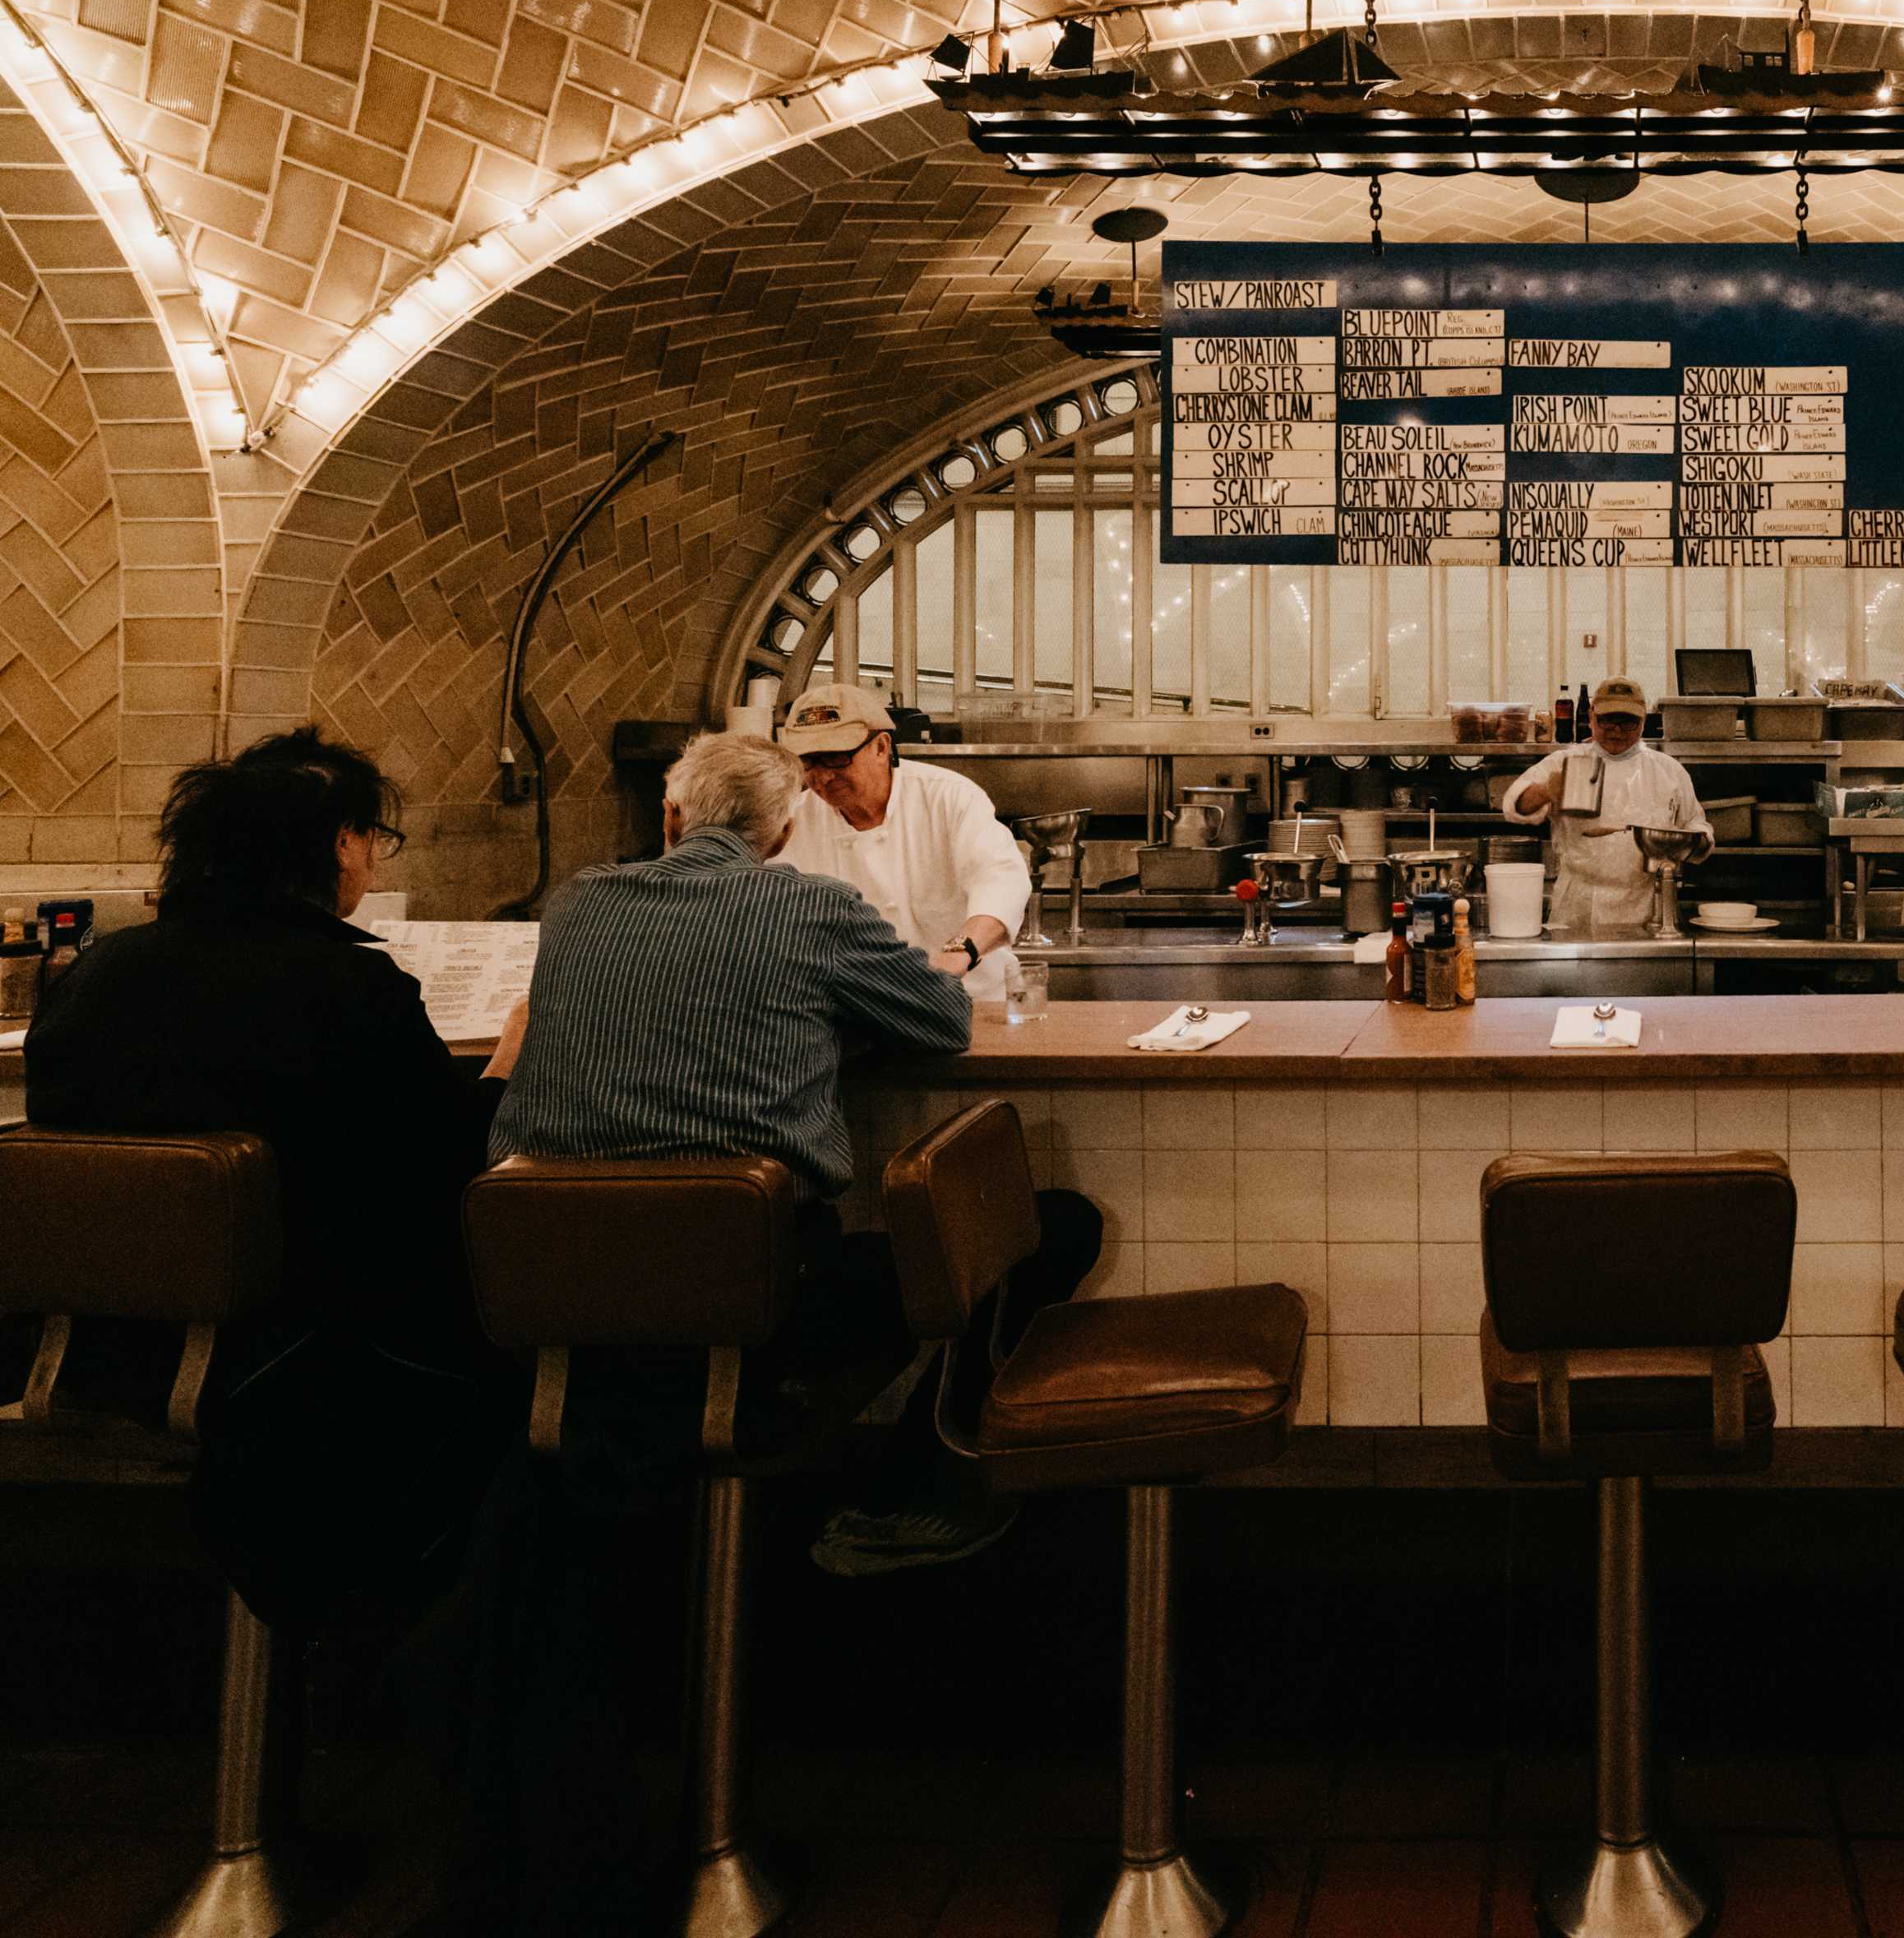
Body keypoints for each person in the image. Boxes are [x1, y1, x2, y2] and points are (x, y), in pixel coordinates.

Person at [488, 730, 1098, 1574]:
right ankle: (928, 1495)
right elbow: (940, 1019)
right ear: (780, 834)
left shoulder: (575, 905)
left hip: (557, 1338)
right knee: (1045, 1223)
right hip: (761, 1330)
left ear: (670, 816)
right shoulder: (813, 908)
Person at [19, 728, 529, 1626]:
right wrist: (504, 1072)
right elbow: (442, 1175)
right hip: (310, 1369)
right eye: (372, 837)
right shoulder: (349, 986)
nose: (371, 858)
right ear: (340, 842)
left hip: (95, 1353)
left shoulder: (94, 976)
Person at [773, 680, 1033, 1001]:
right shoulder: (794, 822)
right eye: (808, 762)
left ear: (882, 747)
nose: (822, 777)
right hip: (859, 1015)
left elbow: (1002, 883)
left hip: (970, 1001)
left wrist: (957, 953)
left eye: (836, 758)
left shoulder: (949, 798)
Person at [1498, 678, 1709, 939]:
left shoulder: (1669, 770)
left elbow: (1697, 826)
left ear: (1644, 720)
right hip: (1578, 906)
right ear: (1591, 716)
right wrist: (1546, 791)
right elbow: (1512, 806)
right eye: (1606, 721)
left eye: (1628, 722)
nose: (1616, 731)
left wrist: (1689, 844)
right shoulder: (1567, 761)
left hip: (1647, 909)